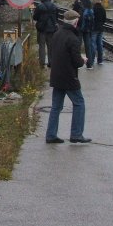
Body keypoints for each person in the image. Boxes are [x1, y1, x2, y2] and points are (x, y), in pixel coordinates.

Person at [45, 10, 90, 144]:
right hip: (69, 77)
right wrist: (83, 60)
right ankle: (76, 134)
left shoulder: (57, 34)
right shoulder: (73, 38)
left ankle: (51, 135)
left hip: (56, 75)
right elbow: (76, 62)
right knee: (79, 103)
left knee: (56, 107)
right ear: (76, 22)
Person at [32, 0, 58, 68]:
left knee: (42, 46)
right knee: (50, 46)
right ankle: (51, 62)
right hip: (51, 29)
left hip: (42, 29)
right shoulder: (54, 6)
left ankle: (42, 63)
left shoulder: (40, 6)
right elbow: (56, 18)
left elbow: (35, 17)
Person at [72, 0, 95, 69]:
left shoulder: (78, 2)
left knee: (78, 45)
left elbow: (73, 12)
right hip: (88, 27)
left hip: (79, 25)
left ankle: (78, 63)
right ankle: (90, 64)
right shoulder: (91, 2)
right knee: (88, 45)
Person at [92, 0, 107, 65]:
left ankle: (91, 60)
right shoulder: (103, 9)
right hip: (101, 28)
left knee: (93, 44)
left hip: (94, 28)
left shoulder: (93, 9)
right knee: (100, 44)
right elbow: (104, 19)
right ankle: (100, 60)